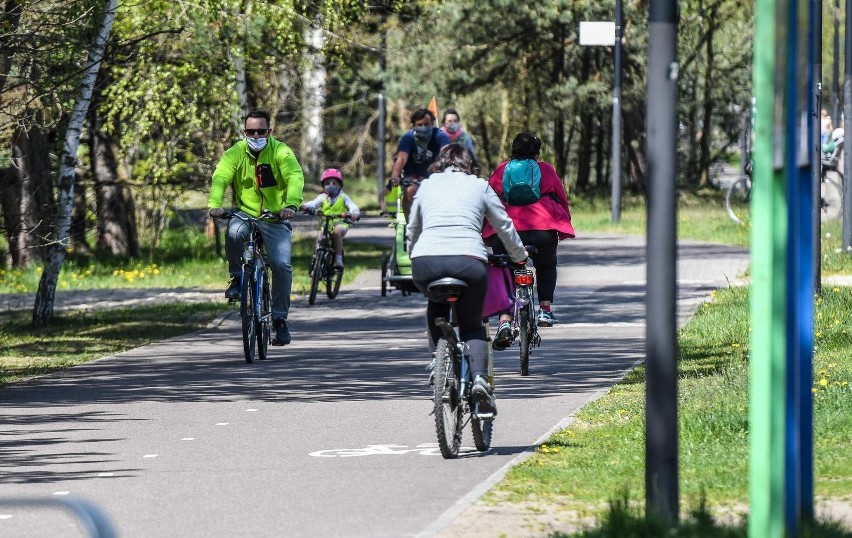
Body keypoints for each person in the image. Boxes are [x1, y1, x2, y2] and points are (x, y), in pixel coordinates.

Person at [407, 144, 526, 415]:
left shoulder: (427, 185)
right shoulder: (480, 186)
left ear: (440, 162)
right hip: (469, 262)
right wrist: (519, 256)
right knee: (472, 323)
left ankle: (437, 360)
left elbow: (413, 227)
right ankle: (480, 381)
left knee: (436, 303)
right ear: (469, 163)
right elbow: (503, 225)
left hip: (426, 263)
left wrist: (413, 254)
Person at [208, 109, 305, 346]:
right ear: (244, 132)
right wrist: (215, 204)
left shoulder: (280, 151)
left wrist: (291, 204)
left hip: (275, 217)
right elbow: (221, 176)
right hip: (246, 213)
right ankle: (237, 279)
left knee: (281, 265)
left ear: (269, 131)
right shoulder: (236, 152)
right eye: (250, 131)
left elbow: (294, 176)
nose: (255, 135)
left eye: (261, 131)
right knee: (233, 230)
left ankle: (280, 320)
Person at [482, 133, 574, 349]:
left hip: (506, 232)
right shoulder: (546, 170)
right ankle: (545, 310)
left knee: (505, 270)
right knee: (546, 264)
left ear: (512, 151)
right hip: (543, 231)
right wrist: (563, 222)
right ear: (537, 152)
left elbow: (486, 199)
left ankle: (505, 321)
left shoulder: (501, 170)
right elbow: (561, 198)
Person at [379, 108, 451, 217]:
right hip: (413, 175)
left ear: (432, 124)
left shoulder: (440, 135)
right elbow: (401, 159)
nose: (423, 127)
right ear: (414, 125)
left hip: (434, 174)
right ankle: (410, 225)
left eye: (426, 124)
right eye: (419, 124)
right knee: (410, 191)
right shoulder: (408, 138)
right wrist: (395, 176)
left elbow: (447, 154)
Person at [301, 168, 361, 268]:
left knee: (337, 233)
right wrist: (305, 206)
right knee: (319, 237)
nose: (331, 185)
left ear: (340, 185)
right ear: (323, 185)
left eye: (334, 183)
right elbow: (314, 203)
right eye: (328, 183)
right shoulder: (322, 197)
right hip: (325, 225)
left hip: (341, 223)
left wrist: (354, 213)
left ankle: (338, 258)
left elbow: (352, 206)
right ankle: (316, 258)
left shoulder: (343, 197)